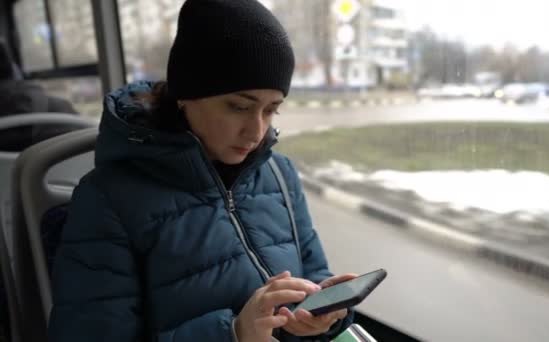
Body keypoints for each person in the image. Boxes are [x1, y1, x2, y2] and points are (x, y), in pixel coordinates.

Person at [48, 1, 355, 341]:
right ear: (185, 95)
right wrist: (234, 334)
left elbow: (313, 276)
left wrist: (322, 317)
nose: (256, 132)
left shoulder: (280, 176)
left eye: (271, 111)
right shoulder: (107, 200)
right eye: (239, 107)